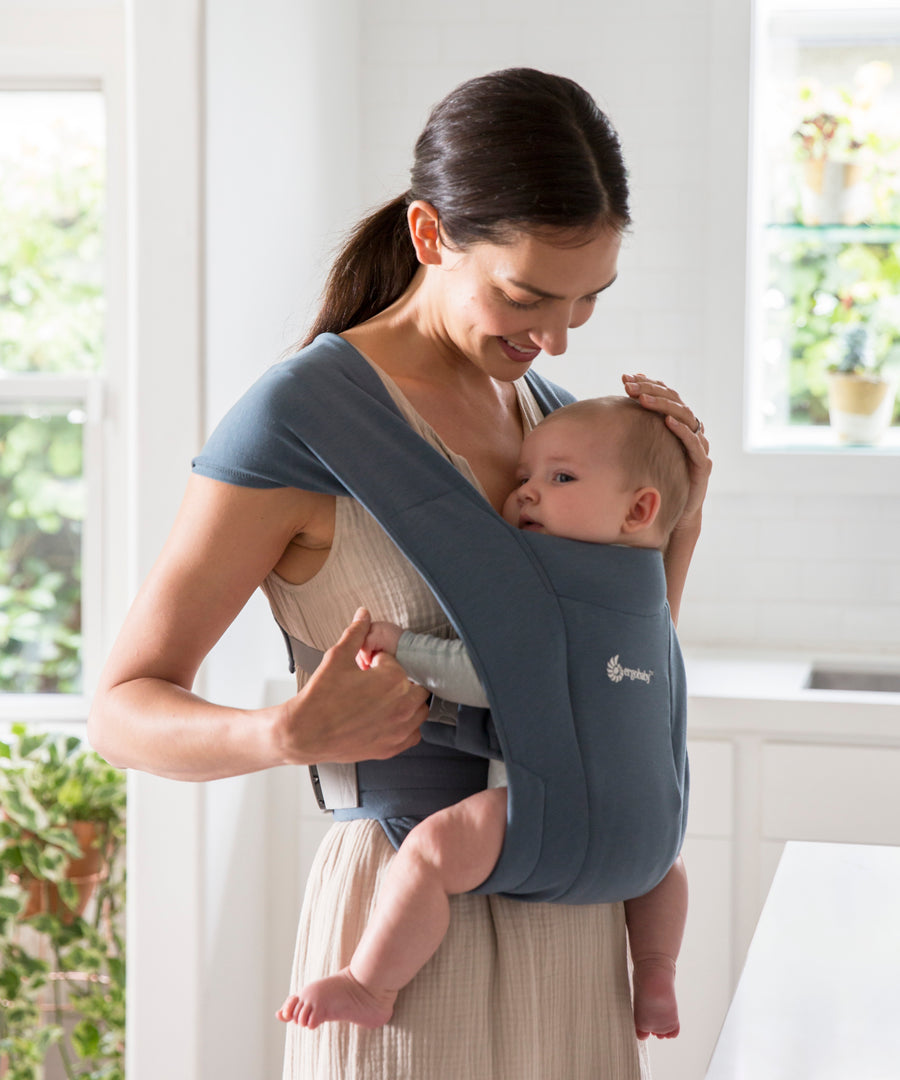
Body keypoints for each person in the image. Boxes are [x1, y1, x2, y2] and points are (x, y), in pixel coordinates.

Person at [88, 67, 711, 1080]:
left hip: (577, 921)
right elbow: (120, 711)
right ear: (431, 237)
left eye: (588, 299)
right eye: (525, 295)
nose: (554, 337)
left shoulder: (554, 421)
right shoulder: (301, 424)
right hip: (410, 936)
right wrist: (278, 734)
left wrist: (681, 517)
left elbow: (602, 677)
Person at [276, 396, 690, 1041]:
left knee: (429, 856)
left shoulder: (555, 586)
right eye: (524, 478)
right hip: (650, 834)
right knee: (667, 867)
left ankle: (369, 984)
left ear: (639, 509)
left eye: (560, 478)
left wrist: (400, 646)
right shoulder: (646, 593)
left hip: (558, 814)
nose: (525, 494)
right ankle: (658, 972)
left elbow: (495, 675)